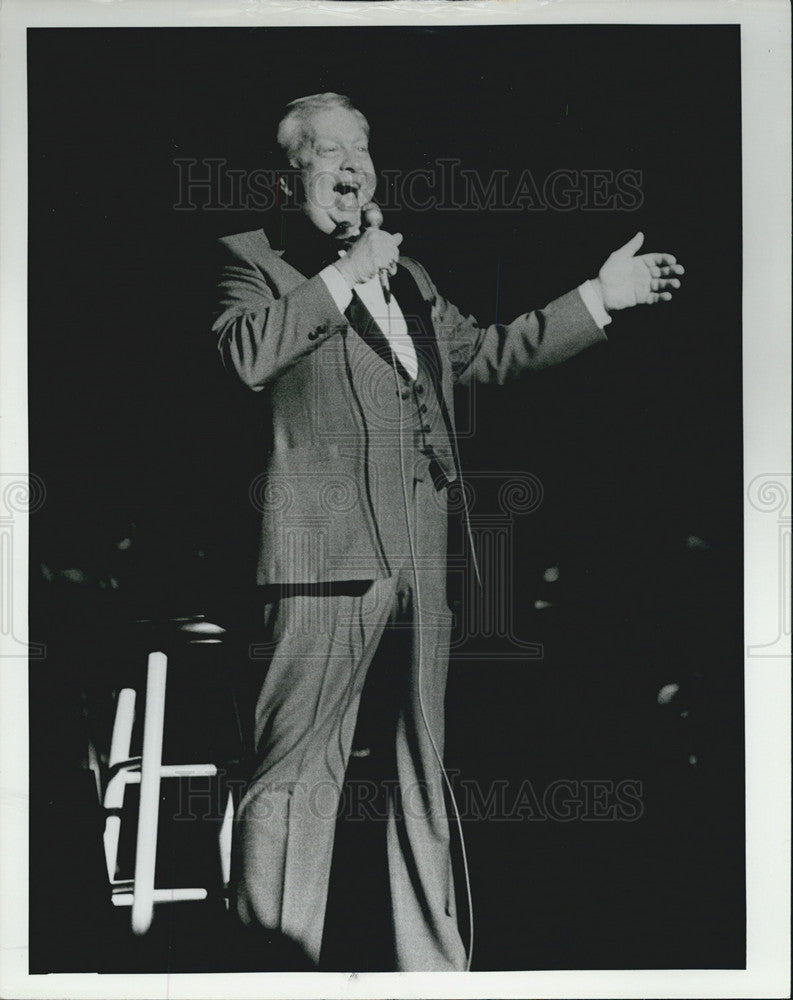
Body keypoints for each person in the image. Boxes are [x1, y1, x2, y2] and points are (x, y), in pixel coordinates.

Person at [211, 92, 684, 971]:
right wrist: (346, 273)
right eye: (328, 153)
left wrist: (599, 296)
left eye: (363, 150)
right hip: (320, 568)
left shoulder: (411, 279)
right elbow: (246, 355)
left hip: (417, 568)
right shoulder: (251, 263)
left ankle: (435, 974)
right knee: (293, 786)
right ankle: (268, 973)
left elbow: (491, 354)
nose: (352, 168)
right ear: (287, 177)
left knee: (420, 783)